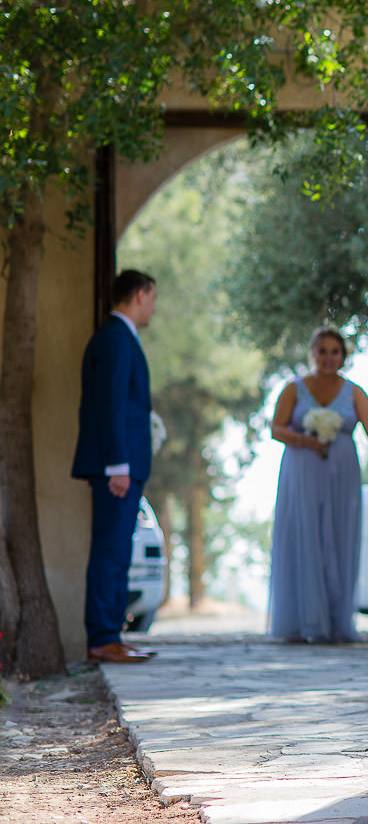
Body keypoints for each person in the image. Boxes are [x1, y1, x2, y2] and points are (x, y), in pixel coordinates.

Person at [267, 327, 368, 643]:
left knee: (339, 536)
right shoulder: (293, 388)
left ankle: (338, 622)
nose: (328, 358)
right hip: (302, 470)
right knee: (305, 535)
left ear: (343, 356)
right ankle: (306, 621)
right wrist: (305, 441)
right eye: (322, 351)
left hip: (343, 472)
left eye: (334, 351)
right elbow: (276, 429)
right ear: (312, 354)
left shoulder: (354, 391)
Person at [72, 270, 159, 664]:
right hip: (116, 467)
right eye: (152, 298)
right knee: (110, 549)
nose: (153, 307)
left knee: (119, 549)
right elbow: (111, 406)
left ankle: (112, 636)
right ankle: (102, 639)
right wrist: (118, 464)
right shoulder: (114, 339)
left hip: (124, 465)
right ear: (140, 294)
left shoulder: (120, 338)